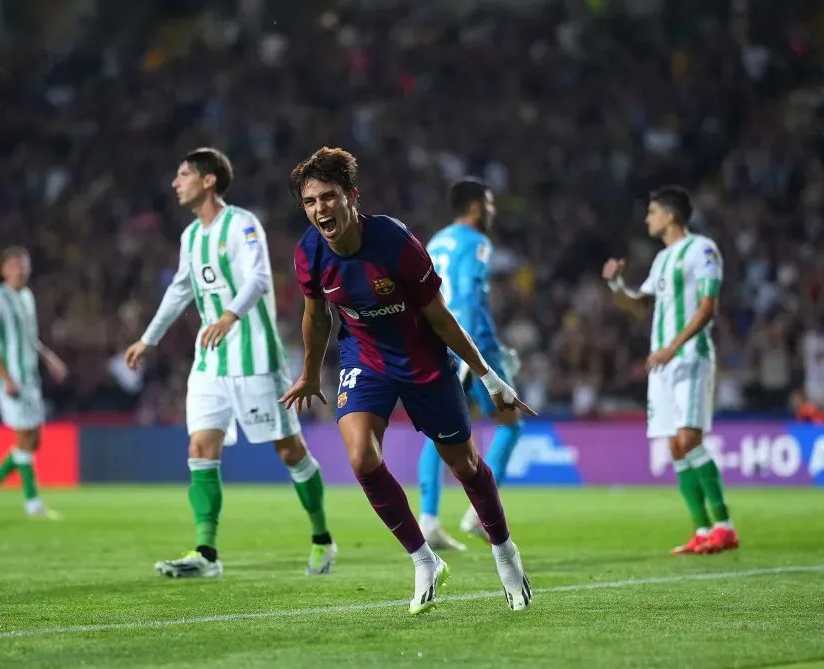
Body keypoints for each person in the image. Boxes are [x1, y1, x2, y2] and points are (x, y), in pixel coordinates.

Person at [281, 147, 534, 615]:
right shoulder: (310, 252)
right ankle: (424, 558)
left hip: (422, 358)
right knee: (361, 457)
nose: (320, 210)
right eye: (311, 202)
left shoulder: (395, 241)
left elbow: (439, 316)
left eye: (329, 197)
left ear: (351, 196)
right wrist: (310, 372)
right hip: (365, 355)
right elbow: (315, 319)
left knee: (465, 466)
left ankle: (504, 552)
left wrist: (487, 374)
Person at [124, 147, 336, 578]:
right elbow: (180, 291)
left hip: (255, 356)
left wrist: (228, 315)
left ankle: (322, 538)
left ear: (208, 181)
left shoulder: (241, 224)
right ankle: (206, 554)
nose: (175, 182)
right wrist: (148, 339)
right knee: (200, 448)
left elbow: (258, 279)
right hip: (210, 362)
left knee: (288, 449)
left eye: (183, 174)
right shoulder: (190, 237)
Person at [602, 185, 738, 555]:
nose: (648, 218)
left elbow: (708, 306)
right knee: (676, 448)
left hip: (690, 356)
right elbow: (638, 306)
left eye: (652, 212)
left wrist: (672, 347)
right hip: (662, 363)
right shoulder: (662, 260)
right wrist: (615, 284)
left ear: (671, 215)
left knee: (689, 439)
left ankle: (724, 525)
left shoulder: (703, 250)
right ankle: (702, 529)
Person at [418, 178, 524, 551]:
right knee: (510, 424)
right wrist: (489, 353)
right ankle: (478, 515)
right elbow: (467, 296)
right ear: (477, 206)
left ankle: (428, 520)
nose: (492, 212)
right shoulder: (477, 242)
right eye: (490, 205)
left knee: (441, 430)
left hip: (435, 340)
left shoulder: (435, 241)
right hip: (467, 341)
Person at [0, 247, 68, 520]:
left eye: (24, 266)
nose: (20, 270)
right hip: (11, 379)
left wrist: (49, 358)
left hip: (30, 377)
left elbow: (29, 336)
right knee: (25, 438)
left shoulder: (26, 296)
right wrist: (5, 376)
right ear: (4, 270)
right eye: (14, 266)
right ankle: (32, 503)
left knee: (33, 440)